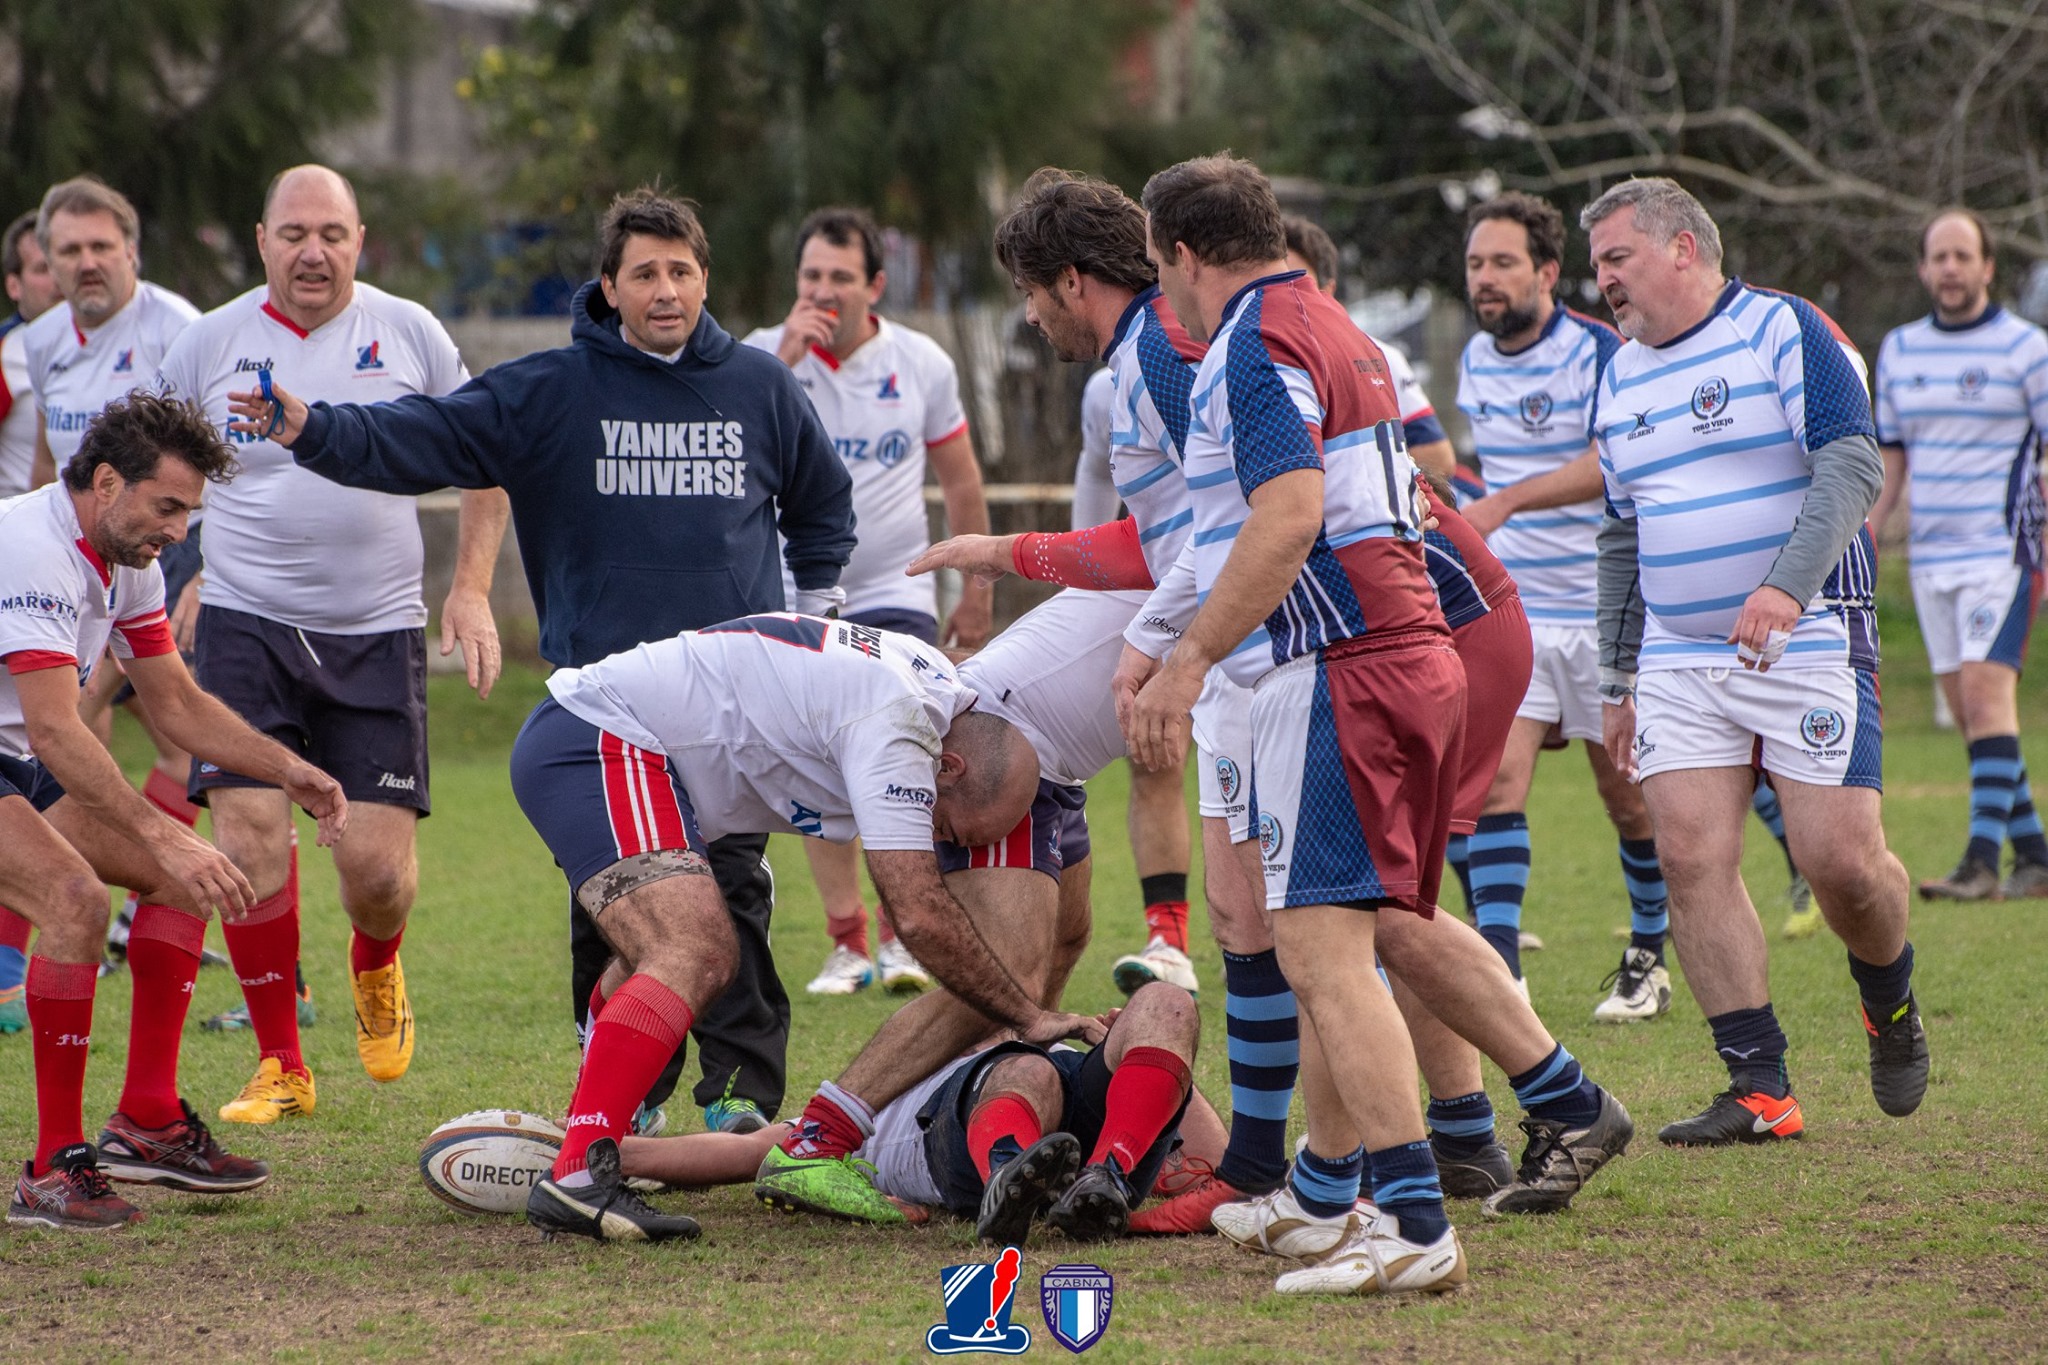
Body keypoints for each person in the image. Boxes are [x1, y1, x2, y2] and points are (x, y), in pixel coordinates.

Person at [228, 187, 856, 1138]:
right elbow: (425, 434)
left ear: (705, 279)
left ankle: (739, 1097)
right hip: (607, 713)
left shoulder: (761, 387)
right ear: (609, 286)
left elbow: (821, 509)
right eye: (643, 273)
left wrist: (813, 627)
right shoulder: (554, 390)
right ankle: (631, 1094)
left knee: (732, 893)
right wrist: (311, 428)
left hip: (733, 704)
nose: (665, 290)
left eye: (681, 271)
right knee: (616, 904)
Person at [1122, 155, 1633, 1295]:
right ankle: (1330, 1191)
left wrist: (1185, 660)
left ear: (1185, 255)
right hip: (1393, 655)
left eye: (1160, 265)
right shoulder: (1332, 324)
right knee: (1353, 933)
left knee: (1319, 950)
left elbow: (1288, 515)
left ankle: (1409, 1218)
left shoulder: (1252, 343)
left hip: (1343, 666)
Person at [506, 612, 1102, 1241]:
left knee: (654, 956)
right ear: (949, 768)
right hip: (602, 737)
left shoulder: (933, 688)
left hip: (616, 742)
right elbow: (919, 916)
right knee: (692, 949)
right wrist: (1026, 1015)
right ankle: (580, 1173)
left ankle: (587, 1139)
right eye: (949, 827)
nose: (941, 840)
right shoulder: (901, 731)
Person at [152, 165, 510, 1123]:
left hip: (375, 630)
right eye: (294, 233)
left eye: (332, 234)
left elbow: (487, 463)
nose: (313, 252)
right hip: (244, 623)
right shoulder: (208, 342)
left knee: (376, 876)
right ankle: (282, 1061)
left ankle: (377, 960)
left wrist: (471, 589)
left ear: (359, 241)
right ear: (261, 239)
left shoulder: (410, 333)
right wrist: (181, 575)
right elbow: (156, 469)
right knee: (249, 838)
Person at [1585, 176, 1928, 1146]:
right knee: (1690, 856)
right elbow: (1621, 534)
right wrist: (1617, 676)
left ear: (1682, 247)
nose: (1602, 279)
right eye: (1597, 263)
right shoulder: (1619, 374)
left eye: (1616, 257)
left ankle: (1889, 1001)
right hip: (1676, 657)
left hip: (1808, 634)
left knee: (1840, 866)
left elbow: (1853, 465)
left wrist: (1783, 586)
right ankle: (1758, 1085)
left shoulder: (1783, 329)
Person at [0, 393, 346, 1229]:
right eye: (167, 506)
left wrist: (288, 768)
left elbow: (178, 703)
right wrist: (163, 830)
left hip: (17, 759)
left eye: (188, 511)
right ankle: (50, 1168)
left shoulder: (130, 563)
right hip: (26, 750)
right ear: (106, 482)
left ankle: (147, 1118)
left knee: (185, 881)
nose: (179, 529)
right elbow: (54, 728)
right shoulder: (31, 546)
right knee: (76, 901)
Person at [744, 207, 993, 997]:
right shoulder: (759, 357)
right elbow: (734, 455)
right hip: (798, 592)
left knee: (903, 751)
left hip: (896, 588)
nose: (824, 291)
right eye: (812, 275)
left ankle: (904, 934)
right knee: (816, 760)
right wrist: (782, 360)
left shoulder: (921, 362)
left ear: (875, 285)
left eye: (841, 277)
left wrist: (977, 589)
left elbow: (961, 481)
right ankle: (846, 941)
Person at [1449, 191, 1677, 1022]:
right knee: (1493, 788)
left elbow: (1608, 461)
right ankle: (1502, 976)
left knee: (1627, 798)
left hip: (1603, 609)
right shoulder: (1474, 359)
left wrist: (1505, 501)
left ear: (1547, 272)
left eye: (1504, 263)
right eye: (1476, 263)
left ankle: (1648, 956)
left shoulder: (1597, 349)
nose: (1486, 277)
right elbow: (1486, 472)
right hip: (1514, 611)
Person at [14, 178, 210, 984]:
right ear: (47, 261)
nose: (87, 262)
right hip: (70, 555)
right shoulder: (42, 339)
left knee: (141, 737)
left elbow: (220, 467)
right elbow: (43, 457)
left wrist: (211, 574)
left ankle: (101, 907)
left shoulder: (182, 331)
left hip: (160, 554)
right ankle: (79, 911)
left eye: (102, 246)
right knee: (74, 733)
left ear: (132, 250)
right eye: (70, 250)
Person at [624, 981, 1205, 1248]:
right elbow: (754, 1152)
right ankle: (1009, 1179)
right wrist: (612, 1153)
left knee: (1168, 1003)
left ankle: (1104, 1181)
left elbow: (1209, 1155)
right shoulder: (857, 1113)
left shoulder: (1045, 1040)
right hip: (960, 1141)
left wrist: (1138, 1040)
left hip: (1095, 1137)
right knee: (1029, 1072)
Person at [1868, 209, 2048, 902]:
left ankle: (1979, 864)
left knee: (1983, 695)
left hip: (2003, 552)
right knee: (1972, 715)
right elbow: (1892, 459)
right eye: (1938, 256)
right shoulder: (1900, 349)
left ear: (1987, 266)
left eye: (1962, 255)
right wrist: (1867, 532)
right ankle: (2035, 855)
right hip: (1929, 561)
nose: (1950, 267)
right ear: (1922, 268)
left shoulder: (2027, 348)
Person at [1068, 359, 1198, 999]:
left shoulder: (1205, 367)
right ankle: (1169, 940)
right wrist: (1081, 583)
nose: (1032, 315)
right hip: (1161, 603)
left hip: (1246, 596)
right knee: (1155, 756)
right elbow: (1096, 472)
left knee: (1261, 771)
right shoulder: (1104, 389)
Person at [0, 211, 64, 1035]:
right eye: (43, 263)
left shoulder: (158, 330)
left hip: (86, 566)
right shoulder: (18, 353)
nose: (57, 275)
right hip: (23, 570)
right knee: (50, 733)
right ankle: (12, 959)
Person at [0, 210, 62, 492]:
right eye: (42, 269)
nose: (58, 278)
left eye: (63, 261)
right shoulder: (6, 352)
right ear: (14, 285)